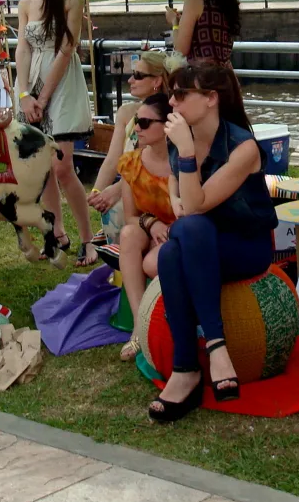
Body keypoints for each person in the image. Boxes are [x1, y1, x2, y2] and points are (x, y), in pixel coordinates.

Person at [146, 60, 278, 423]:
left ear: (210, 99)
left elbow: (196, 204)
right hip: (198, 243)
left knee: (188, 231)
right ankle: (193, 363)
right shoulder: (181, 137)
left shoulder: (242, 146)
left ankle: (197, 360)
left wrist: (187, 158)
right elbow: (180, 196)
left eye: (180, 95)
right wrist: (178, 186)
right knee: (175, 249)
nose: (171, 104)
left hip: (246, 246)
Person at [16, 0, 95, 266]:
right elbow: (22, 48)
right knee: (44, 166)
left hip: (62, 85)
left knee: (62, 167)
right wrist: (24, 94)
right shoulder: (25, 3)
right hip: (32, 82)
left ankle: (89, 239)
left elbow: (67, 49)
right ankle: (57, 233)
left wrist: (44, 96)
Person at [114, 92, 175, 361]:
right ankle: (141, 326)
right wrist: (151, 224)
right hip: (150, 228)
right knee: (127, 234)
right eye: (137, 120)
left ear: (166, 126)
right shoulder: (131, 163)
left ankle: (165, 322)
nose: (137, 127)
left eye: (145, 122)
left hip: (181, 231)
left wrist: (167, 229)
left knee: (151, 264)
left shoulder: (183, 160)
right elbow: (130, 216)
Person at [89, 50, 170, 242]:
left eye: (139, 75)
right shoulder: (126, 113)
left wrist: (116, 190)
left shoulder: (169, 116)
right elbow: (112, 160)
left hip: (161, 191)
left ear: (157, 81)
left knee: (117, 204)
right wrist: (97, 193)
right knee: (112, 204)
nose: (131, 80)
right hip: (131, 184)